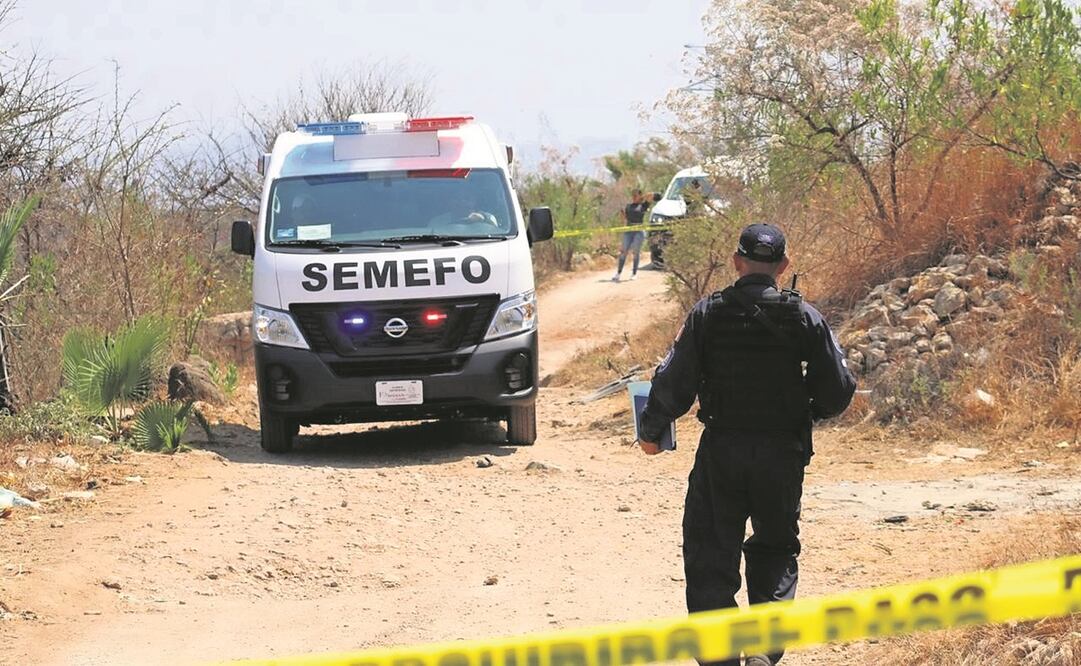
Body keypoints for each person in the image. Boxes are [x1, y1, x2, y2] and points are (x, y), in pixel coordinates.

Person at [637, 223, 856, 666]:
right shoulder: (804, 316)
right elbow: (839, 390)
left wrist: (651, 430)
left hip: (722, 452)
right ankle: (761, 653)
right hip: (781, 454)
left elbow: (672, 383)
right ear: (783, 266)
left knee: (710, 555)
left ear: (737, 261)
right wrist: (803, 414)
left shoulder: (707, 314)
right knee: (775, 551)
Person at [612, 189, 651, 282]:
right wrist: (622, 215)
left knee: (636, 252)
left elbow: (652, 195)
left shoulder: (643, 206)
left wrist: (642, 197)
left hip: (639, 230)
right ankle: (618, 273)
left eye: (635, 195)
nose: (633, 197)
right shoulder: (628, 206)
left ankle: (634, 273)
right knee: (623, 251)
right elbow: (625, 219)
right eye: (632, 195)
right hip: (629, 230)